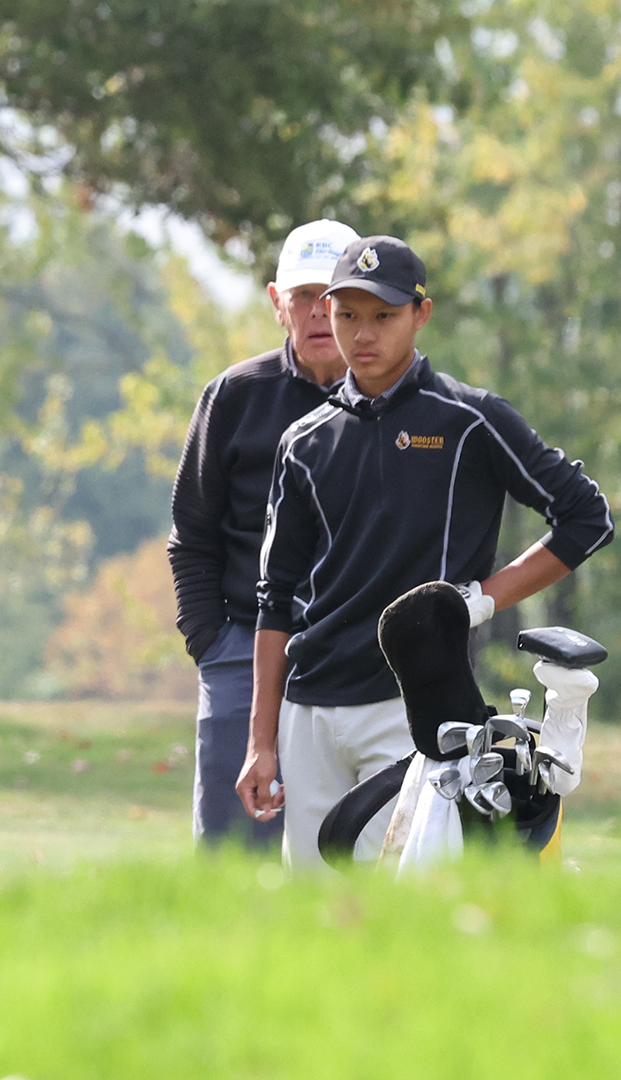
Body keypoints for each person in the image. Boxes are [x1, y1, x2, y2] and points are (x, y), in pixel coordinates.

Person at [237, 235, 612, 871]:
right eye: (346, 313)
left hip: (412, 706)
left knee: (402, 906)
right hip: (309, 708)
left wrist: (481, 602)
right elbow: (275, 598)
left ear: (421, 313)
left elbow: (584, 517)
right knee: (313, 908)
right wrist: (260, 740)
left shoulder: (471, 418)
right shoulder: (303, 440)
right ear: (325, 314)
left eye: (383, 315)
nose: (363, 333)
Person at [167, 219, 358, 850]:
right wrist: (210, 642)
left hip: (357, 653)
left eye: (333, 297)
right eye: (302, 297)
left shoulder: (398, 405)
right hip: (242, 648)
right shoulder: (234, 396)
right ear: (278, 303)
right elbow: (191, 535)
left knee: (347, 849)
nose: (318, 312)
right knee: (231, 854)